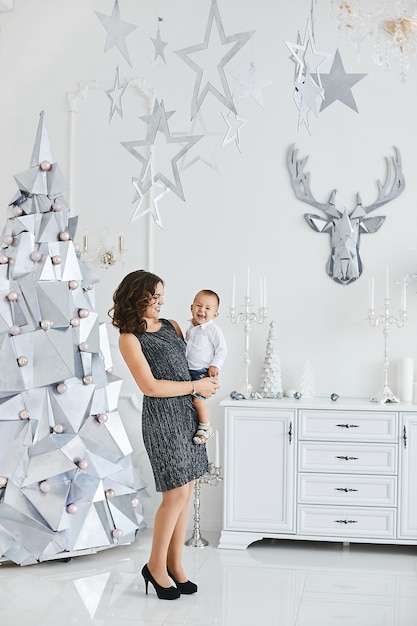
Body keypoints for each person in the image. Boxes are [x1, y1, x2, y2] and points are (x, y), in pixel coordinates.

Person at [109, 270, 219, 601]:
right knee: (173, 496)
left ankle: (176, 566)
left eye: (161, 295)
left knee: (185, 493)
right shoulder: (129, 338)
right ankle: (155, 567)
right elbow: (150, 386)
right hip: (161, 421)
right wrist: (195, 386)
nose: (160, 302)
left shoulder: (172, 325)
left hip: (187, 415)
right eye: (153, 296)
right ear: (136, 298)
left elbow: (189, 364)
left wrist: (208, 375)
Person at [185, 289, 227, 444]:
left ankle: (205, 426)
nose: (202, 310)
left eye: (208, 308)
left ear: (215, 314)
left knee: (197, 400)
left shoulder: (213, 330)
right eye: (198, 305)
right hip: (188, 369)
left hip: (202, 371)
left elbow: (221, 349)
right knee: (188, 400)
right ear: (191, 308)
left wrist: (215, 365)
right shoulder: (191, 328)